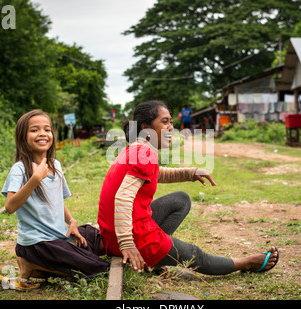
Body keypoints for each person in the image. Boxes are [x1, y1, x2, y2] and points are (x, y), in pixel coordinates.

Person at [98, 100, 279, 276]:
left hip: (114, 234)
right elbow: (122, 198)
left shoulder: (135, 149)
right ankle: (246, 263)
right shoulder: (143, 152)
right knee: (195, 255)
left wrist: (189, 173)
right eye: (164, 121)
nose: (171, 127)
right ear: (146, 128)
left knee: (181, 199)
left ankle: (158, 257)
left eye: (171, 122)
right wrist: (127, 244)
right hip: (128, 238)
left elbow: (153, 174)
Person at [0, 109, 109, 290]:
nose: (42, 133)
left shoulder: (55, 164)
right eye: (34, 130)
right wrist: (35, 179)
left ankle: (43, 266)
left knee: (98, 240)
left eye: (47, 129)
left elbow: (57, 200)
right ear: (22, 137)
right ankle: (30, 263)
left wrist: (72, 222)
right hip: (38, 243)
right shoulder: (19, 169)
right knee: (97, 268)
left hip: (59, 235)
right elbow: (10, 207)